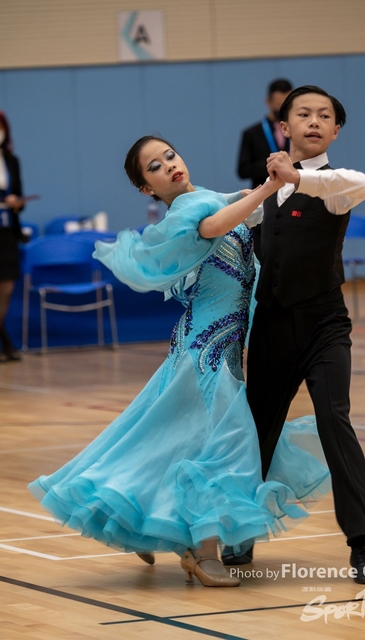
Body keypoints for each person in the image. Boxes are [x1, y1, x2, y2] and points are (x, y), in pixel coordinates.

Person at [29, 135, 331, 588]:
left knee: (171, 438)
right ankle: (203, 553)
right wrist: (268, 188)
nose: (169, 165)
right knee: (223, 442)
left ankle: (146, 523)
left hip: (221, 347)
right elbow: (214, 225)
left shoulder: (208, 197)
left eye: (169, 155)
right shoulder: (186, 213)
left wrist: (278, 184)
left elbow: (239, 211)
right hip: (205, 350)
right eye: (154, 167)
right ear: (146, 188)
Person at [222, 85, 365, 585]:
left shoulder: (338, 184)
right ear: (284, 127)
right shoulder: (264, 193)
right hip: (271, 327)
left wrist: (296, 177)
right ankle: (240, 531)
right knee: (257, 432)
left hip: (324, 326)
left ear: (335, 131)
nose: (314, 121)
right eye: (304, 114)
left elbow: (358, 182)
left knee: (335, 421)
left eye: (324, 116)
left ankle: (362, 545)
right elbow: (223, 220)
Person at [0, 111, 25, 362]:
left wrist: (16, 203)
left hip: (7, 231)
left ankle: (4, 340)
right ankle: (6, 343)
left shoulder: (11, 161)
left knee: (6, 288)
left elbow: (20, 195)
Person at [237, 78, 293, 189]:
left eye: (286, 105)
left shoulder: (298, 131)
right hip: (263, 193)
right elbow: (243, 171)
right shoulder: (251, 133)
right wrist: (273, 163)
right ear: (268, 102)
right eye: (278, 105)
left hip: (294, 191)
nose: (282, 110)